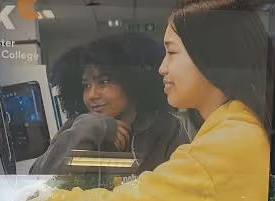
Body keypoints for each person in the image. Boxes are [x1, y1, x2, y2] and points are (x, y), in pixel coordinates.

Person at [20, 0, 270, 201]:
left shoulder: (217, 142)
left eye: (172, 52)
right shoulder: (233, 130)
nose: (163, 67)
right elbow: (44, 181)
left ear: (209, 56)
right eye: (86, 85)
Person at [31, 33, 188, 179]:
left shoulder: (165, 128)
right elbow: (39, 180)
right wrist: (89, 129)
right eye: (86, 86)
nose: (92, 94)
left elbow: (184, 185)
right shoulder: (78, 127)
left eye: (103, 82)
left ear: (132, 83)